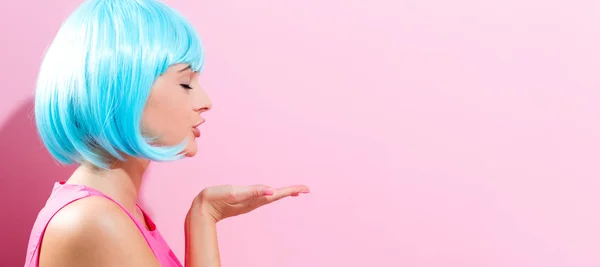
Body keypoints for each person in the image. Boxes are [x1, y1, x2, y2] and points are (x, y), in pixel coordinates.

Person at [23, 0, 310, 266]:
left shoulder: (114, 213)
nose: (205, 102)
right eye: (186, 83)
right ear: (123, 91)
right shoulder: (93, 221)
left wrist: (204, 214)